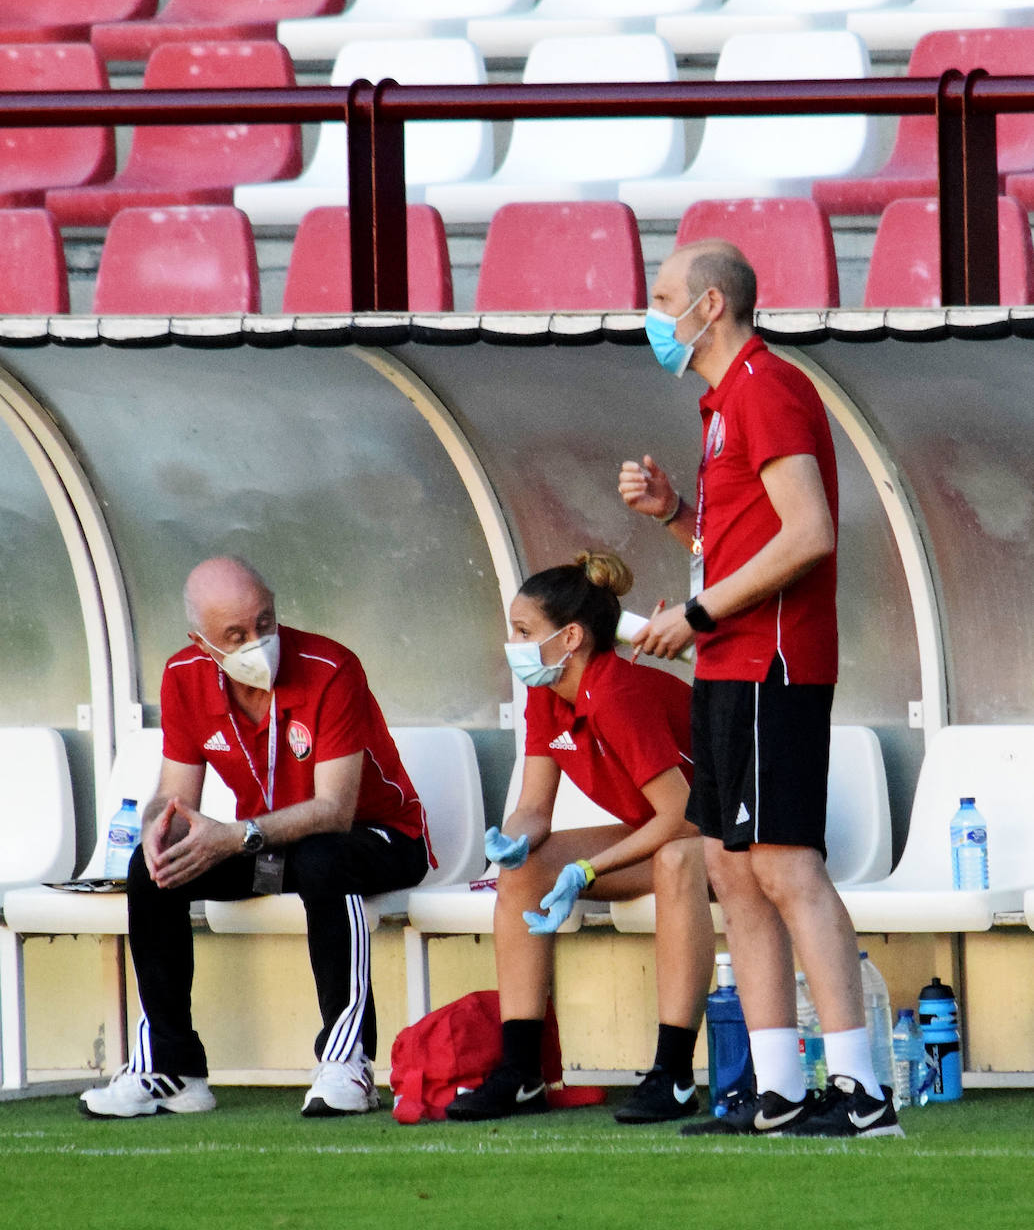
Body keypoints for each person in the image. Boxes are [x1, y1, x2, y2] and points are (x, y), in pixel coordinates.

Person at [619, 239, 902, 1139]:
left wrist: (698, 614)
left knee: (783, 865)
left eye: (662, 297)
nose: (651, 314)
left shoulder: (766, 387)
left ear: (710, 305)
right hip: (728, 663)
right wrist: (676, 517)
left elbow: (809, 534)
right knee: (729, 867)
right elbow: (746, 541)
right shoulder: (721, 403)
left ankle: (863, 1093)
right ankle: (777, 1089)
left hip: (767, 663)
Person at [80, 555, 433, 1120]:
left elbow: (335, 810)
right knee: (154, 870)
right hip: (268, 846)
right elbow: (174, 792)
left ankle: (348, 1062)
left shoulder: (331, 667)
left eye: (264, 623)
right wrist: (158, 828)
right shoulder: (182, 676)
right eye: (235, 635)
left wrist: (236, 836)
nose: (256, 641)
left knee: (323, 858)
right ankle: (173, 1071)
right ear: (200, 640)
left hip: (380, 838)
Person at [445, 551, 714, 1125]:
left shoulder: (618, 694)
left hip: (727, 838)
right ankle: (521, 1074)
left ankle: (673, 1075)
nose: (511, 645)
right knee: (524, 869)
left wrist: (589, 870)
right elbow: (535, 808)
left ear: (570, 637)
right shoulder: (546, 693)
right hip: (663, 832)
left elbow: (685, 818)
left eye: (524, 632)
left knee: (674, 861)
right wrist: (510, 841)